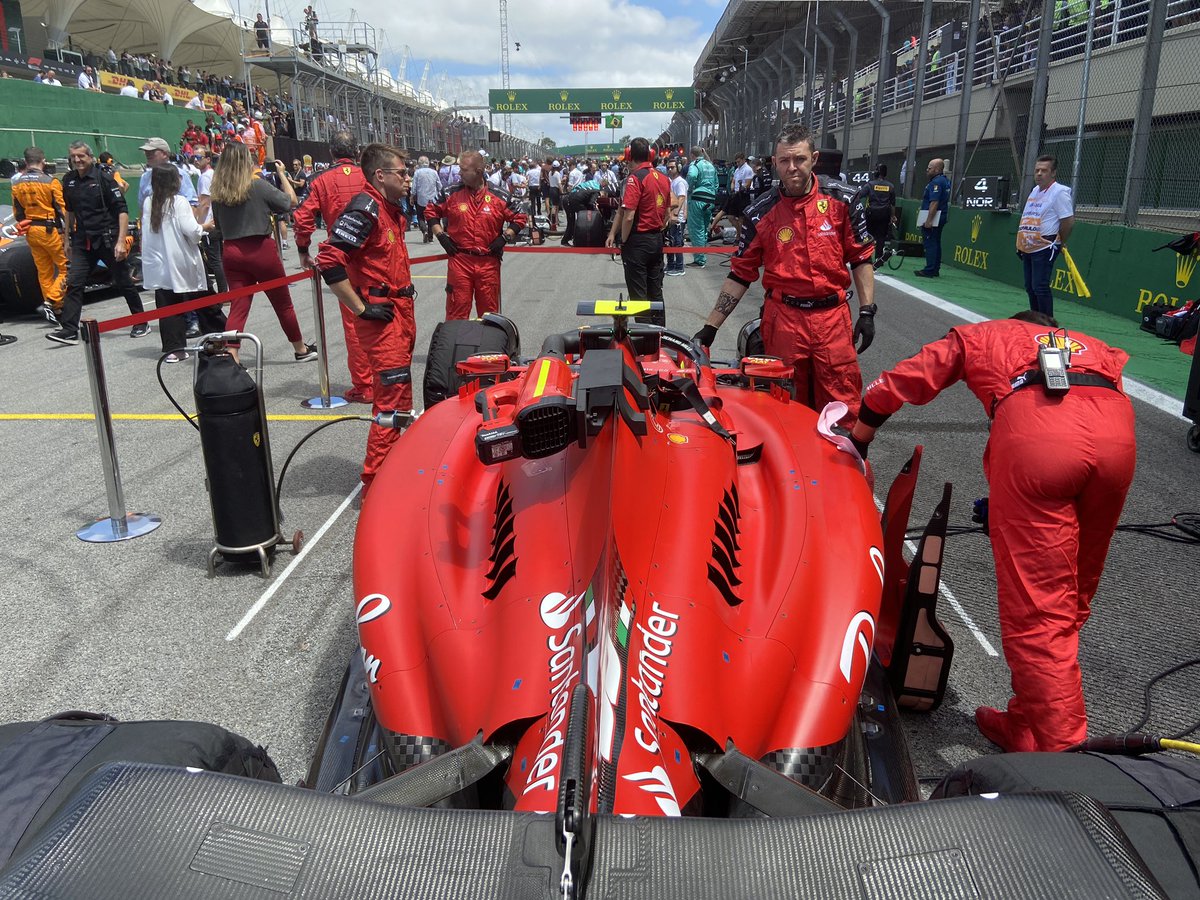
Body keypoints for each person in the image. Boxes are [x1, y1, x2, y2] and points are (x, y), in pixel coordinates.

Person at [849, 311, 1136, 752]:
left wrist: (861, 437)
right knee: (1073, 591)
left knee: (1039, 612)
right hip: (1117, 440)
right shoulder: (1088, 343)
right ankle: (1026, 721)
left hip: (1039, 443)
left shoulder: (985, 335)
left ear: (1014, 322)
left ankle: (1072, 765)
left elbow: (901, 380)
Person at [693, 123, 877, 427]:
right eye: (784, 161)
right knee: (785, 410)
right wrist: (710, 328)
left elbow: (861, 257)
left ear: (814, 158)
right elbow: (740, 274)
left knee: (843, 410)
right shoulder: (760, 212)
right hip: (784, 322)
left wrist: (867, 311)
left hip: (832, 321)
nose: (792, 168)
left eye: (800, 159)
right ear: (774, 162)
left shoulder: (843, 201)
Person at [315, 143, 415, 490]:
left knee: (401, 396)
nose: (408, 178)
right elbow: (328, 259)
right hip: (382, 318)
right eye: (401, 173)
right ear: (380, 175)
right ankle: (376, 484)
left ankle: (396, 469)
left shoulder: (390, 209)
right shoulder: (366, 209)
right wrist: (359, 307)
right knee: (389, 400)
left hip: (400, 312)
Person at [209, 142, 315, 361]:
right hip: (260, 248)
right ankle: (300, 348)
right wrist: (282, 174)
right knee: (283, 303)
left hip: (231, 250)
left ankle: (232, 353)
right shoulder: (257, 185)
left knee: (239, 305)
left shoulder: (218, 192)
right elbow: (290, 202)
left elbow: (218, 227)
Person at [295, 132, 374, 403]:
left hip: (342, 258)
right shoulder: (370, 176)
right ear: (356, 150)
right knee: (384, 310)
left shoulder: (321, 180)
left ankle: (365, 385)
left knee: (354, 320)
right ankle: (386, 376)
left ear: (331, 152)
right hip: (374, 256)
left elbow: (303, 217)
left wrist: (303, 250)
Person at [50, 141, 148, 345]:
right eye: (73, 157)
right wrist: (67, 239)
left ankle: (141, 322)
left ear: (90, 157)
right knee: (74, 283)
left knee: (123, 281)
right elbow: (69, 212)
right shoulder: (68, 180)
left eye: (81, 156)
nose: (77, 160)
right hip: (82, 242)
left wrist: (120, 242)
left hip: (107, 240)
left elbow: (122, 210)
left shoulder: (104, 177)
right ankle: (69, 330)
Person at [141, 164, 226, 363]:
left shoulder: (149, 202)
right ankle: (219, 336)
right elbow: (191, 230)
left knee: (168, 306)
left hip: (160, 264)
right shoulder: (178, 201)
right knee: (204, 297)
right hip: (182, 260)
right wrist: (205, 227)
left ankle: (174, 349)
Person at [426, 150, 526, 320]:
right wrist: (441, 236)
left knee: (489, 316)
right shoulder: (451, 193)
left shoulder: (498, 195)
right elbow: (431, 211)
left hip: (488, 263)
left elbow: (520, 217)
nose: (459, 173)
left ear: (478, 172)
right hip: (460, 261)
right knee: (456, 313)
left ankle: (489, 347)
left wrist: (505, 237)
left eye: (464, 170)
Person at [606, 138, 671, 325]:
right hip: (657, 240)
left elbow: (628, 216)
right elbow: (667, 214)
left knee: (638, 296)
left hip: (638, 243)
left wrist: (624, 241)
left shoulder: (635, 179)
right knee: (656, 293)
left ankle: (644, 341)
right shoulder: (664, 178)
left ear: (630, 155)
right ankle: (660, 338)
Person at [10, 146, 67, 324]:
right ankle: (51, 301)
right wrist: (70, 231)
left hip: (31, 231)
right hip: (51, 230)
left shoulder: (17, 184)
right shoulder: (50, 182)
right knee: (67, 267)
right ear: (43, 161)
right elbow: (62, 209)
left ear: (25, 162)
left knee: (44, 272)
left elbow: (18, 214)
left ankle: (56, 310)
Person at [1016, 155, 1075, 317]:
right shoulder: (1035, 191)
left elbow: (1068, 221)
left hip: (1045, 245)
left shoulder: (1060, 192)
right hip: (1029, 246)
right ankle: (1036, 320)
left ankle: (1047, 323)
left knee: (1040, 286)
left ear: (1053, 173)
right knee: (1030, 286)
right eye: (1037, 170)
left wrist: (1060, 241)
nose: (1039, 174)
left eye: (1044, 170)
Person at [193, 148, 226, 294]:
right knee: (219, 259)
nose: (195, 159)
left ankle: (223, 293)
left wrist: (199, 224)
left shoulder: (205, 177)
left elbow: (205, 203)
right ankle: (226, 291)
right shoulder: (213, 174)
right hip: (216, 221)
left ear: (207, 159)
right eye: (193, 156)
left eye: (199, 157)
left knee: (215, 261)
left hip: (209, 225)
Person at [915, 158, 951, 277]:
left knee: (930, 243)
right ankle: (935, 268)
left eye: (929, 168)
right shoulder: (944, 180)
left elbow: (934, 202)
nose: (927, 170)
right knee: (936, 242)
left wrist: (929, 220)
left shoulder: (936, 182)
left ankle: (930, 269)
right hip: (942, 215)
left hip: (934, 217)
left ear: (936, 169)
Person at [138, 137, 198, 208]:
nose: (147, 154)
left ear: (165, 154)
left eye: (152, 151)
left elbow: (192, 203)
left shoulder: (180, 174)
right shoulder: (145, 177)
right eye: (146, 151)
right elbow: (142, 207)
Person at [685, 146, 718, 269]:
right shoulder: (710, 165)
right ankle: (702, 254)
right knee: (704, 229)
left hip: (698, 199)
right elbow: (716, 182)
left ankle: (699, 259)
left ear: (692, 155)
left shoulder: (694, 164)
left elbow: (692, 176)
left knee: (696, 229)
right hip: (710, 199)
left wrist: (688, 188)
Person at [862, 163, 897, 263]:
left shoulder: (870, 184)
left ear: (876, 172)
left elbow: (860, 195)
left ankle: (866, 256)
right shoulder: (891, 186)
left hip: (871, 213)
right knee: (881, 236)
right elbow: (892, 204)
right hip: (884, 214)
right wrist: (893, 216)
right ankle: (878, 258)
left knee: (867, 235)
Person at [410, 155, 441, 244]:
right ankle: (430, 237)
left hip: (421, 199)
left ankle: (424, 230)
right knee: (431, 217)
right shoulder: (434, 172)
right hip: (432, 198)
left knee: (420, 216)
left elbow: (414, 186)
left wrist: (412, 196)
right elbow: (439, 185)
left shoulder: (417, 172)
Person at [665, 158, 688, 276]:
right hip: (671, 216)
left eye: (672, 167)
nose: (669, 169)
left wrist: (675, 214)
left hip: (677, 217)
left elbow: (681, 198)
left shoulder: (679, 182)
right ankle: (670, 265)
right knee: (670, 241)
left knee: (677, 242)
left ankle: (679, 267)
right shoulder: (671, 181)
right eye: (668, 167)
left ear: (678, 168)